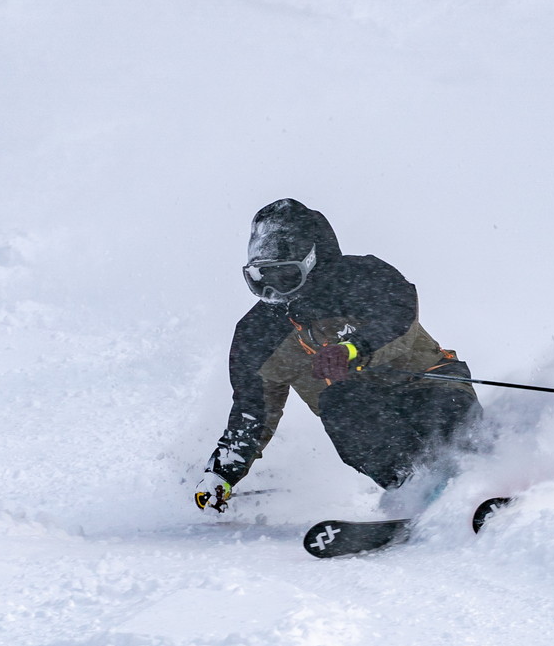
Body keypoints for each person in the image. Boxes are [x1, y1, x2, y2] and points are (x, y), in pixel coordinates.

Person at [194, 199, 482, 513]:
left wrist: (353, 349)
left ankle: (488, 481)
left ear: (312, 260)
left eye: (285, 276)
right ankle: (415, 488)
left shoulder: (363, 279)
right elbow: (252, 416)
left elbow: (398, 321)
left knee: (450, 433)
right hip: (368, 419)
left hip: (431, 389)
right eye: (261, 281)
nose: (274, 293)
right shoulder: (257, 335)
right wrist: (221, 474)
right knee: (340, 400)